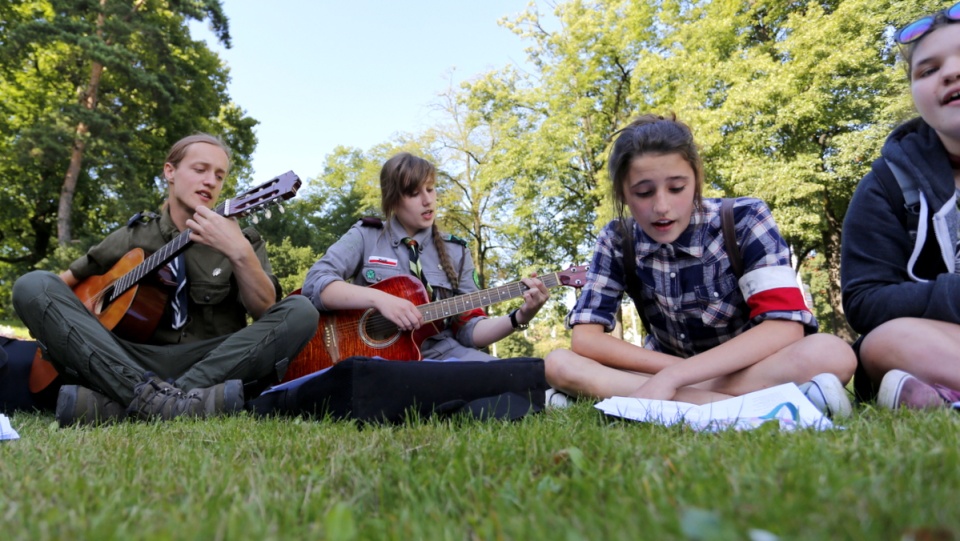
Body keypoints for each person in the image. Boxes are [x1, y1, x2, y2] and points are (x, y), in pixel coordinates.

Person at [544, 114, 857, 417]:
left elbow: (784, 326)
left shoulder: (746, 218)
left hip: (745, 368)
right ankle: (756, 405)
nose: (661, 207)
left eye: (677, 188)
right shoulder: (615, 239)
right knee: (558, 363)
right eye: (643, 192)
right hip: (663, 369)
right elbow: (586, 338)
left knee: (832, 354)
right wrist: (674, 372)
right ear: (623, 194)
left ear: (696, 180)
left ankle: (635, 397)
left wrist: (674, 379)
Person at [13, 133, 319, 426]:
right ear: (170, 171)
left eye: (219, 175)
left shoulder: (243, 240)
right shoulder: (133, 235)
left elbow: (266, 311)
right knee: (32, 284)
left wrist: (239, 252)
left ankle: (134, 403)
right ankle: (179, 403)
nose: (210, 181)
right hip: (124, 359)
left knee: (301, 310)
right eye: (200, 169)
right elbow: (60, 284)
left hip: (211, 362)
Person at [301, 152, 549, 361]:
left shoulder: (457, 251)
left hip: (441, 354)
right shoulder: (367, 236)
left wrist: (521, 317)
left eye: (430, 189)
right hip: (375, 359)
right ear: (393, 200)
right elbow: (315, 284)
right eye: (414, 193)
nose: (428, 200)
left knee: (516, 372)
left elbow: (470, 330)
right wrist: (380, 300)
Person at [841, 3, 960, 411]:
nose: (950, 72)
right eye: (928, 70)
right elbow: (864, 299)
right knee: (883, 344)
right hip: (940, 341)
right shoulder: (887, 186)